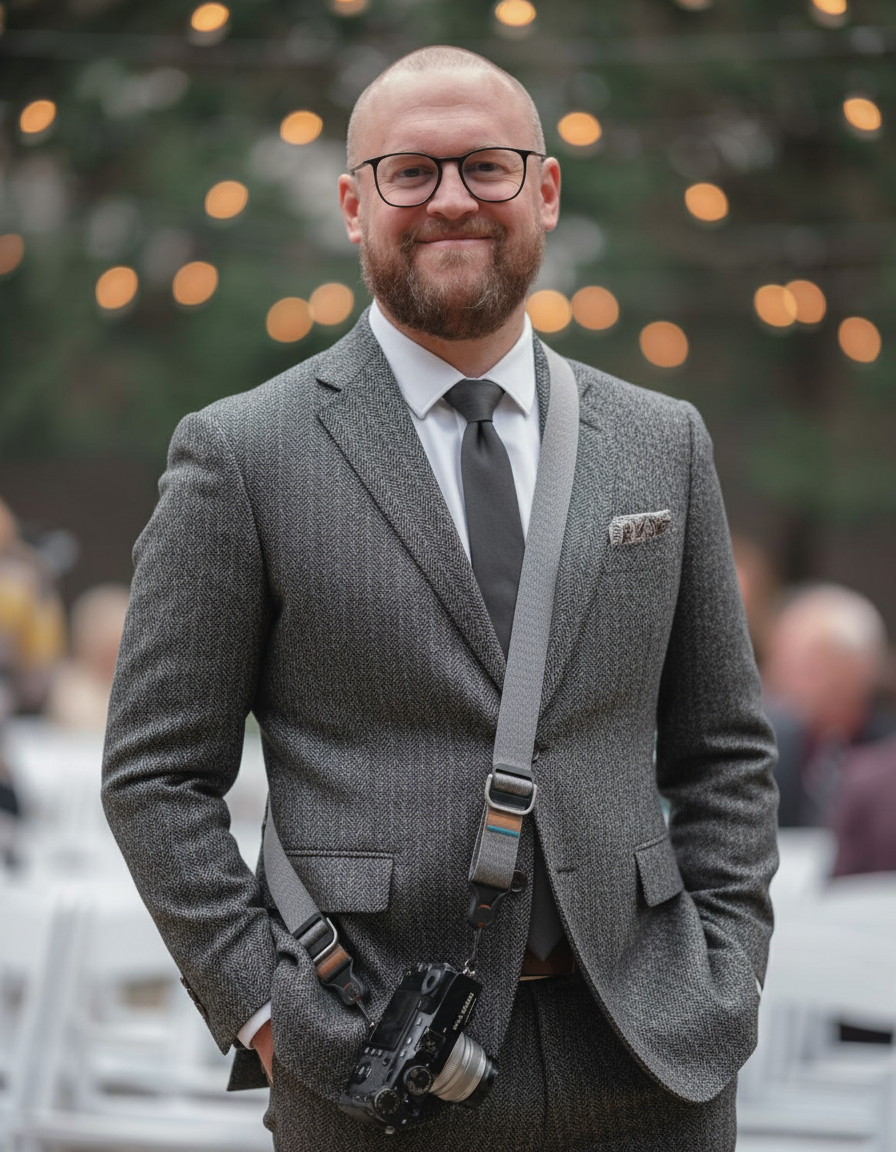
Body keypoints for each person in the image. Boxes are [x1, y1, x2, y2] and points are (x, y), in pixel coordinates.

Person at [102, 47, 779, 1151]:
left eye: (486, 167)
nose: (452, 199)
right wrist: (270, 1017)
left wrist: (728, 972)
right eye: (411, 171)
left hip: (654, 1056)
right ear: (353, 205)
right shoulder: (242, 454)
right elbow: (154, 775)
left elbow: (727, 751)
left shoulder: (664, 442)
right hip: (376, 1065)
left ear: (544, 190)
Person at [762, 583, 892, 827]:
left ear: (857, 668)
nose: (781, 674)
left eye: (807, 664)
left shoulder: (887, 750)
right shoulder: (767, 749)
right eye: (782, 659)